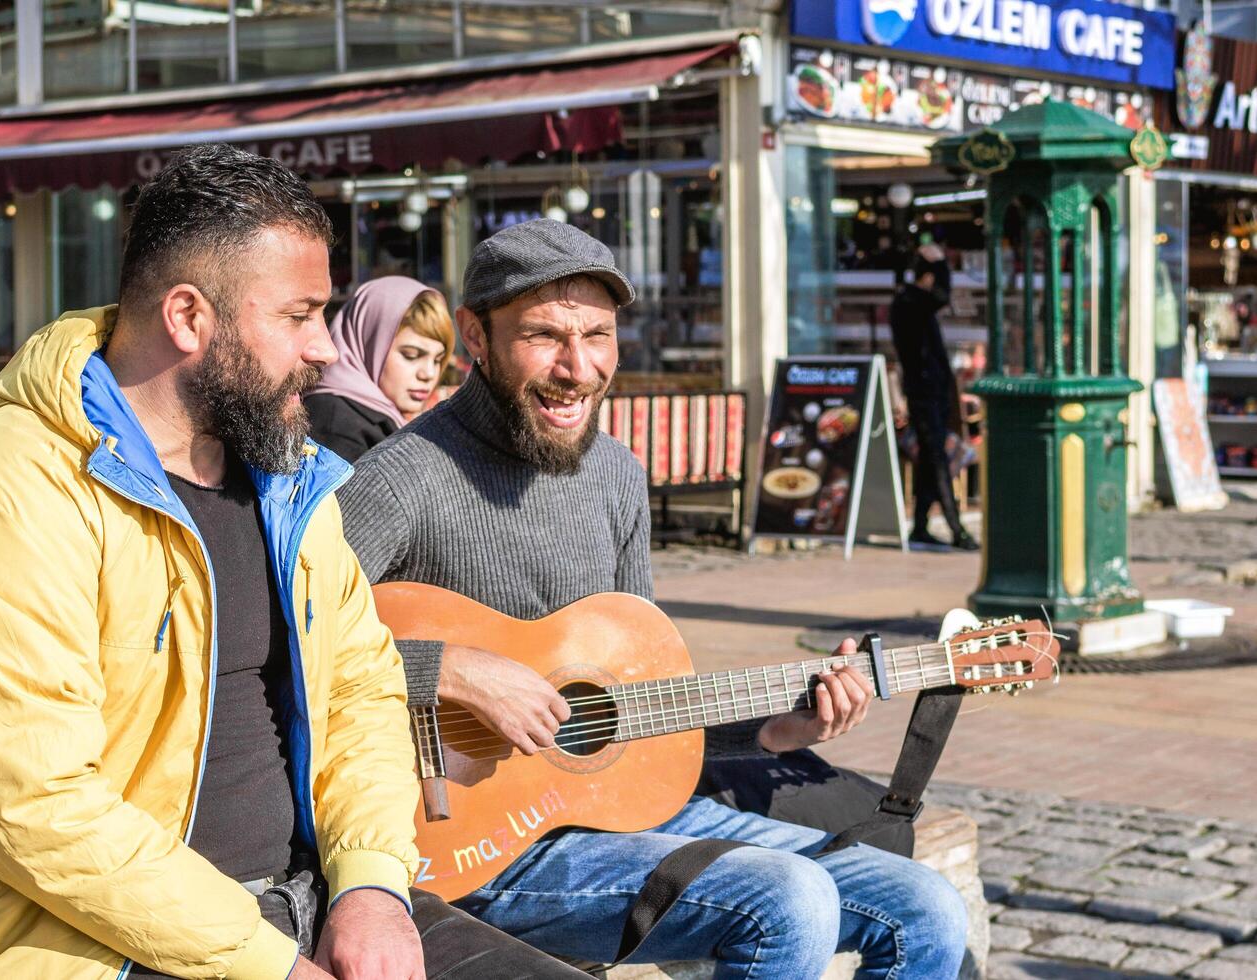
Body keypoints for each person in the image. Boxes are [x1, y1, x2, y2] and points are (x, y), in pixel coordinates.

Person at [0, 146, 589, 980]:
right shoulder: (6, 492)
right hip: (75, 941)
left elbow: (360, 694)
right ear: (188, 317)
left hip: (311, 901)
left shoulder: (291, 483)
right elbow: (39, 810)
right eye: (299, 316)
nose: (325, 348)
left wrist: (372, 889)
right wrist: (269, 963)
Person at [337, 219, 969, 978]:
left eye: (598, 336)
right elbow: (278, 644)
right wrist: (448, 668)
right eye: (544, 336)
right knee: (789, 899)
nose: (578, 368)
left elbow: (635, 709)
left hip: (610, 817)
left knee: (926, 907)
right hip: (467, 847)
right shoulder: (402, 478)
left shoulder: (616, 475)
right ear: (475, 335)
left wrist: (775, 728)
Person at [305, 277, 453, 463]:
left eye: (438, 360)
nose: (428, 374)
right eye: (411, 355)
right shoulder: (337, 427)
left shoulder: (376, 416)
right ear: (368, 345)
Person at [890, 244, 977, 551]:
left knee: (930, 460)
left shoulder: (912, 302)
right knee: (937, 459)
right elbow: (942, 296)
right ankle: (956, 528)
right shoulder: (909, 302)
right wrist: (941, 263)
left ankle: (921, 526)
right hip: (923, 392)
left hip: (932, 391)